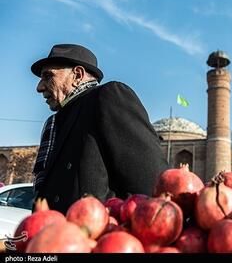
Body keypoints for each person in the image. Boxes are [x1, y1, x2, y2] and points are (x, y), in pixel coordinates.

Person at [31, 43, 168, 214]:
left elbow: (151, 185)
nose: (40, 87)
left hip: (98, 236)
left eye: (48, 76)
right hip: (58, 236)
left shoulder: (106, 98)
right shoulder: (56, 122)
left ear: (77, 75)